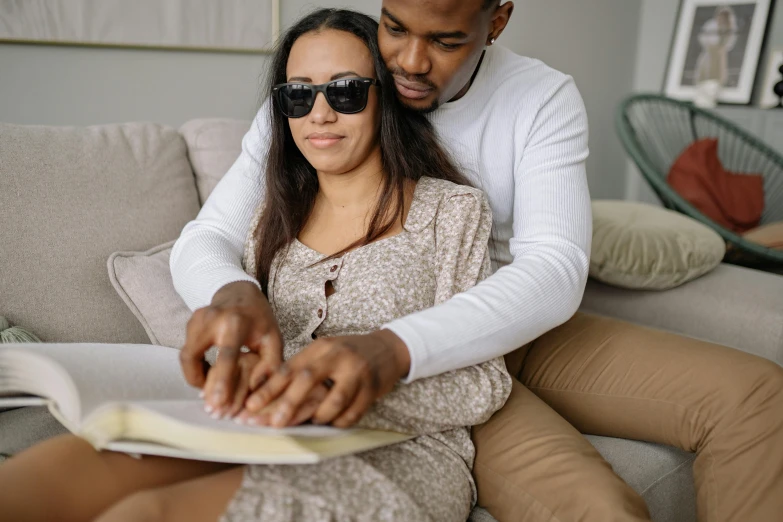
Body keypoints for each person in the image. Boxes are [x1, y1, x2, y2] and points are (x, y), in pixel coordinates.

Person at [172, 1, 783, 521]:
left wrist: (394, 347)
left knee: (758, 396)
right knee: (595, 505)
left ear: (497, 21)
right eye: (395, 25)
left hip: (507, 322)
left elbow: (553, 268)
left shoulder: (538, 97)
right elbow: (210, 236)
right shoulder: (326, 86)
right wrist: (232, 290)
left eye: (444, 40)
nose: (410, 61)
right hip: (414, 340)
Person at [0, 9, 511, 522]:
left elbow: (483, 381)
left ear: (387, 97)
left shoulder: (454, 212)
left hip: (395, 449)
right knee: (45, 476)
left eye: (346, 91)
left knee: (146, 512)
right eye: (298, 95)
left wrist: (334, 391)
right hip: (256, 429)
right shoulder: (271, 217)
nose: (320, 114)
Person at [695, 6, 738, 87]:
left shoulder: (730, 27)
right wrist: (709, 46)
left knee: (719, 73)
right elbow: (702, 36)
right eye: (720, 15)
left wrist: (723, 48)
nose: (722, 18)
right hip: (709, 50)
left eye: (724, 16)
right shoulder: (711, 24)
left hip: (721, 52)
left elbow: (731, 41)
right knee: (705, 70)